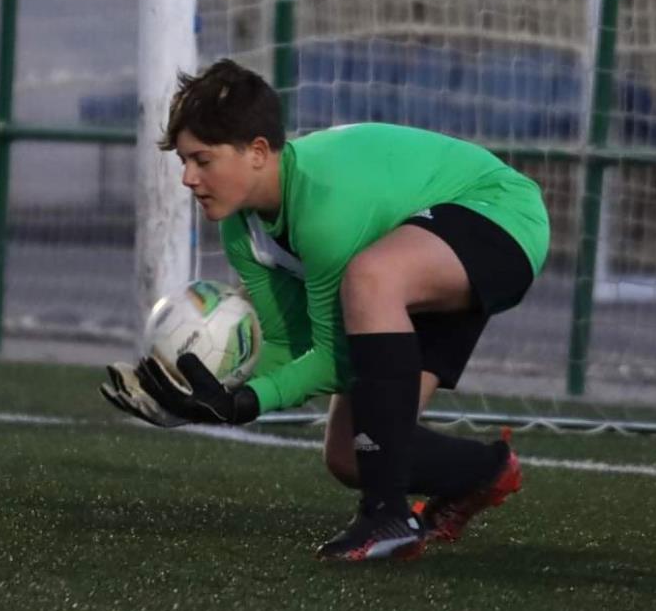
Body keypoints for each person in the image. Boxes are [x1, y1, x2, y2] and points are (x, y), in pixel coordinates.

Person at [102, 58, 550, 562]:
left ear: (256, 153)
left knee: (369, 279)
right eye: (183, 161)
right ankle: (485, 470)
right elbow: (292, 345)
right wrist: (203, 395)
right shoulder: (240, 229)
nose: (187, 178)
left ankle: (387, 516)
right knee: (352, 454)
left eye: (202, 160)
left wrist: (246, 404)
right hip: (409, 256)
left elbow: (337, 356)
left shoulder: (322, 205)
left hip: (499, 213)